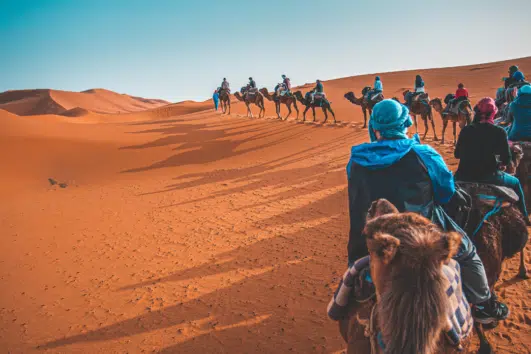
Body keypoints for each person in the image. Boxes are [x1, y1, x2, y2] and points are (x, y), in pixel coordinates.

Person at [346, 99, 509, 324]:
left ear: (374, 127)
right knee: (469, 254)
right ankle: (483, 306)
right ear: (406, 122)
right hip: (421, 237)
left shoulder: (356, 159)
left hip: (369, 237)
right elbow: (445, 194)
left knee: (356, 267)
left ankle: (347, 297)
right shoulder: (424, 154)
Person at [454, 97, 528, 220]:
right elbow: (506, 159)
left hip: (463, 176)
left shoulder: (466, 130)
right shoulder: (499, 132)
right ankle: (525, 217)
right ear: (493, 113)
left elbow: (457, 154)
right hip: (490, 176)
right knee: (515, 183)